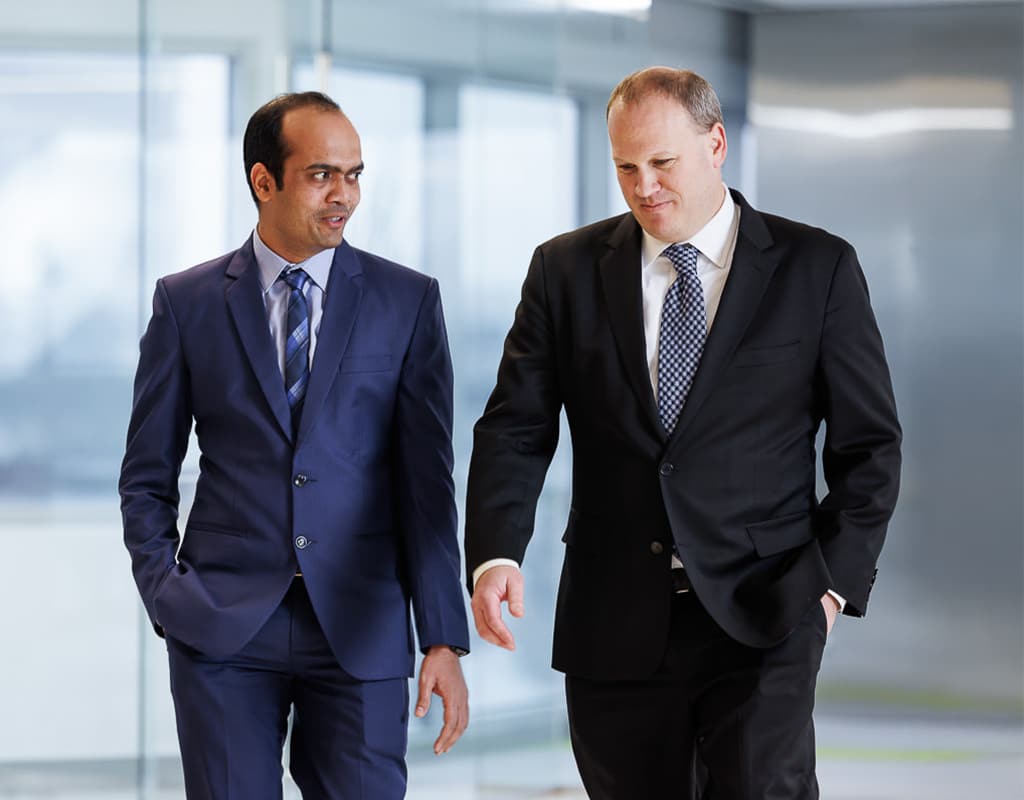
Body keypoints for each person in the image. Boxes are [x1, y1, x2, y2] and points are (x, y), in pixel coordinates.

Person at [465, 67, 901, 799]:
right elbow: (516, 426)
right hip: (613, 617)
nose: (643, 187)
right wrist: (495, 552)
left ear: (716, 143)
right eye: (625, 167)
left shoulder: (815, 267)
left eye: (662, 163)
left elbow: (870, 449)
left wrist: (827, 590)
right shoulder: (563, 270)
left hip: (767, 611)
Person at [119, 91, 470, 800]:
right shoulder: (186, 304)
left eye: (355, 175)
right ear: (263, 180)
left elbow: (427, 484)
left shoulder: (407, 302)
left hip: (362, 626)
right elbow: (146, 477)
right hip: (222, 628)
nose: (345, 195)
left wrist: (442, 636)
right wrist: (167, 595)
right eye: (322, 175)